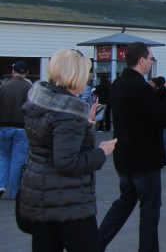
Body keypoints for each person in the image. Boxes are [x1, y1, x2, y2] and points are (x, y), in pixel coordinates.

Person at [18, 49, 117, 251]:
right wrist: (101, 152)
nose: (88, 78)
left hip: (40, 195)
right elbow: (67, 162)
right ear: (76, 74)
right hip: (68, 202)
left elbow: (48, 144)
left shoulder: (42, 102)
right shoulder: (67, 112)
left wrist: (84, 125)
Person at [98, 42, 166, 252]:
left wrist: (165, 88)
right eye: (151, 58)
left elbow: (144, 104)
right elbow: (161, 117)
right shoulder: (140, 87)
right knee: (149, 209)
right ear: (142, 60)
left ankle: (95, 244)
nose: (152, 62)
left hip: (124, 156)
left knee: (124, 203)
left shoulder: (119, 84)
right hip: (144, 159)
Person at [0, 60, 32, 200]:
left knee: (3, 156)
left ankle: (1, 184)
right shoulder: (29, 88)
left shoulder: (4, 86)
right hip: (21, 127)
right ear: (27, 72)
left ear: (13, 71)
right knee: (18, 159)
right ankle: (14, 192)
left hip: (3, 126)